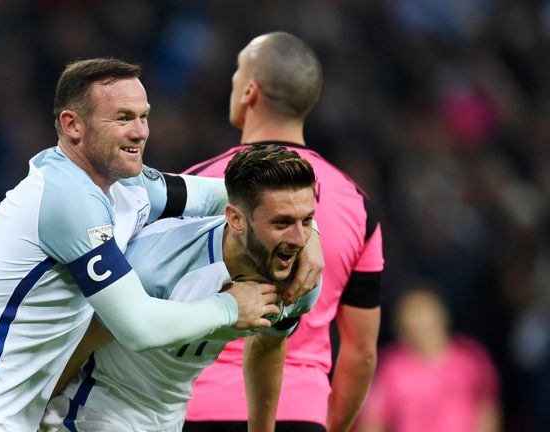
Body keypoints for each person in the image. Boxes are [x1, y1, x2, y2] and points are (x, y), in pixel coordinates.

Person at [0, 58, 287, 432]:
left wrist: (305, 232)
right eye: (122, 118)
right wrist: (231, 306)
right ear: (73, 125)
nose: (140, 131)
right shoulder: (68, 200)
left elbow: (235, 194)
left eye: (144, 116)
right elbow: (139, 326)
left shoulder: (126, 184)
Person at [41, 144, 323, 432]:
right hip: (94, 409)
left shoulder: (300, 278)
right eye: (282, 223)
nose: (300, 239)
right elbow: (76, 345)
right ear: (236, 219)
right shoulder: (154, 265)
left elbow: (268, 344)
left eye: (307, 221)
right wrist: (32, 417)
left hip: (171, 419)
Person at [183, 32, 385, 432]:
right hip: (299, 410)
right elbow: (361, 353)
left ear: (250, 92)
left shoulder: (195, 185)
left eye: (237, 74)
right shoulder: (357, 205)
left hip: (195, 408)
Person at [355, 286, 501, 432]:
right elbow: (372, 420)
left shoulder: (471, 357)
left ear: (442, 315)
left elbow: (487, 410)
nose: (418, 320)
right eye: (411, 312)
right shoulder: (390, 366)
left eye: (422, 311)